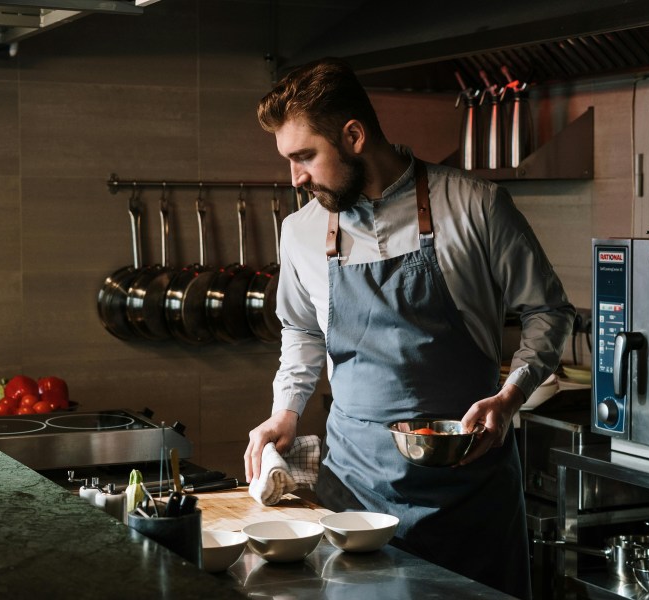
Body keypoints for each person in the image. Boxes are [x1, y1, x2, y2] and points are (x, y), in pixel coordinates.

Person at [245, 57, 574, 600]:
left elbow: (547, 311)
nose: (295, 178)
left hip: (468, 490)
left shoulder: (475, 205)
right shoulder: (300, 232)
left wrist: (511, 396)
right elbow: (302, 331)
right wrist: (286, 410)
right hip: (354, 490)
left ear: (353, 135)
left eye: (305, 156)